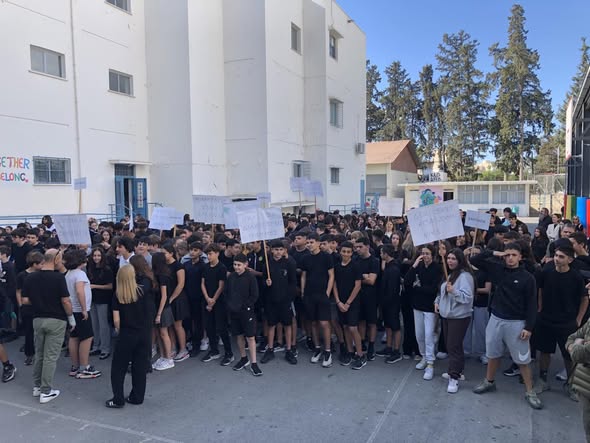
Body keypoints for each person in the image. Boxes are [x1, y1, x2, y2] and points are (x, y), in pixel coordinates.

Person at [470, 242, 542, 409]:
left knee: (522, 359)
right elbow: (474, 259)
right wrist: (495, 253)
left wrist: (529, 327)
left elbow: (532, 304)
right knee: (493, 354)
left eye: (513, 255)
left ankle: (530, 391)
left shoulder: (528, 278)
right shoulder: (497, 269)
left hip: (517, 323)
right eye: (507, 255)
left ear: (520, 257)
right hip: (496, 319)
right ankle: (489, 381)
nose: (510, 258)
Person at [534, 244, 587, 401]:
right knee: (544, 351)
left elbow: (584, 299)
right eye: (556, 255)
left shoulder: (576, 277)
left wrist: (578, 319)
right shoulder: (546, 272)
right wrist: (539, 306)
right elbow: (540, 289)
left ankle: (570, 385)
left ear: (570, 260)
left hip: (567, 323)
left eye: (561, 257)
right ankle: (542, 380)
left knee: (569, 355)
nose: (557, 259)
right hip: (546, 319)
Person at [22, 249, 75, 403]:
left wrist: (39, 301)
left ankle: (37, 386)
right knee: (50, 356)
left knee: (39, 354)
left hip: (38, 319)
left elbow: (25, 300)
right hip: (56, 320)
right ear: (56, 259)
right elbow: (65, 300)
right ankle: (46, 391)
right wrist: (71, 318)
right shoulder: (59, 278)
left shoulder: (30, 277)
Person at [106, 265, 151, 408]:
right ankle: (137, 397)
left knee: (118, 368)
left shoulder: (118, 295)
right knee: (139, 366)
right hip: (143, 333)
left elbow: (116, 320)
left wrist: (120, 330)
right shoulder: (142, 291)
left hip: (126, 334)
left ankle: (118, 399)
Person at [434, 249, 474, 393]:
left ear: (460, 260)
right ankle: (458, 370)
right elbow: (442, 291)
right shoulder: (450, 274)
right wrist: (437, 301)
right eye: (449, 258)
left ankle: (454, 377)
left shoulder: (465, 276)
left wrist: (454, 292)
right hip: (447, 315)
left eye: (453, 259)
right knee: (453, 345)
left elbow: (467, 297)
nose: (450, 261)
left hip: (459, 317)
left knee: (453, 346)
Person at [404, 245, 443, 381]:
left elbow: (433, 289)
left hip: (430, 307)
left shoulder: (437, 268)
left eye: (427, 253)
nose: (425, 256)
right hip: (417, 306)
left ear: (432, 255)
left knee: (428, 335)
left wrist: (417, 287)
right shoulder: (418, 266)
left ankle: (430, 363)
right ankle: (424, 356)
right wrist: (414, 266)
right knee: (419, 335)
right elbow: (407, 282)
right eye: (423, 253)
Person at [301, 232, 335, 368]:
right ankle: (317, 348)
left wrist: (327, 292)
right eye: (307, 242)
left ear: (318, 243)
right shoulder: (305, 258)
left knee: (324, 323)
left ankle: (327, 351)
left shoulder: (326, 257)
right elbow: (303, 276)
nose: (309, 245)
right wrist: (303, 292)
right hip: (309, 294)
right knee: (313, 323)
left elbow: (331, 275)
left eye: (311, 242)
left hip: (322, 294)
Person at [262, 240, 298, 365]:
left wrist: (289, 297)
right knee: (271, 324)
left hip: (285, 300)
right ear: (271, 250)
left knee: (287, 324)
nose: (278, 252)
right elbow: (262, 282)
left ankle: (288, 350)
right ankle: (270, 349)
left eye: (280, 250)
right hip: (271, 300)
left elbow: (293, 282)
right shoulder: (267, 264)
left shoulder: (289, 264)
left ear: (284, 251)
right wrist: (266, 283)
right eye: (276, 250)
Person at [226, 254, 262, 376]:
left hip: (247, 311)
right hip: (234, 311)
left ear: (245, 265)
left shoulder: (250, 277)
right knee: (239, 335)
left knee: (250, 337)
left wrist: (246, 306)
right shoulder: (231, 277)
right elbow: (227, 292)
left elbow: (255, 295)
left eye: (239, 265)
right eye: (235, 264)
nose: (236, 267)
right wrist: (230, 305)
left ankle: (254, 363)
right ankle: (243, 358)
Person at [333, 241, 365, 369]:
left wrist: (347, 303)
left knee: (353, 328)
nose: (346, 254)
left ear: (352, 253)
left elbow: (358, 286)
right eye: (344, 251)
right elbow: (334, 284)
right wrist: (338, 301)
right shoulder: (337, 266)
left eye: (348, 252)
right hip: (340, 302)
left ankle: (360, 355)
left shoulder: (356, 266)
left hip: (352, 302)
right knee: (345, 327)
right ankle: (350, 351)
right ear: (340, 252)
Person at [201, 244, 232, 364]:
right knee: (209, 327)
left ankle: (229, 353)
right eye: (207, 254)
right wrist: (207, 298)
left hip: (219, 302)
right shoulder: (205, 267)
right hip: (207, 300)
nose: (209, 256)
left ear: (217, 253)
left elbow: (221, 286)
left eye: (211, 254)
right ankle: (214, 350)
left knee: (221, 328)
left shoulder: (221, 268)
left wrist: (213, 300)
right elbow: (202, 283)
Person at [161, 243, 190, 363]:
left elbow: (181, 284)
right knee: (170, 325)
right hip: (167, 297)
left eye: (164, 253)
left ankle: (183, 349)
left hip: (177, 298)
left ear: (171, 253)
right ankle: (173, 347)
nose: (163, 255)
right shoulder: (163, 266)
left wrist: (172, 298)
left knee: (178, 325)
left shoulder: (178, 266)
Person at [353, 237, 380, 361]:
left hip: (371, 296)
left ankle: (371, 346)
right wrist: (364, 276)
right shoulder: (355, 259)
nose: (358, 249)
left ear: (367, 246)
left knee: (372, 322)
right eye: (356, 247)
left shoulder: (374, 261)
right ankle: (362, 342)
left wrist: (360, 278)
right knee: (361, 321)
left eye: (360, 247)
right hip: (358, 295)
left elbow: (371, 281)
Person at [16, 251, 44, 365]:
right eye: (41, 263)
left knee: (40, 332)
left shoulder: (42, 274)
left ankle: (40, 353)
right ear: (34, 264)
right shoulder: (22, 275)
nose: (43, 265)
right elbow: (18, 291)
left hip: (40, 307)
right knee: (29, 332)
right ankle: (29, 354)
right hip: (27, 307)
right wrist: (20, 305)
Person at [87, 247, 114, 360]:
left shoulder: (107, 269)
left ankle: (105, 348)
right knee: (94, 324)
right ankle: (96, 346)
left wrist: (95, 286)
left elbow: (110, 286)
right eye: (94, 255)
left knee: (103, 325)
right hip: (92, 299)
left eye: (98, 255)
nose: (96, 258)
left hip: (103, 300)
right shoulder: (90, 268)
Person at [566, 317, 590, 441]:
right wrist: (576, 345)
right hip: (584, 385)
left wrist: (576, 346)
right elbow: (572, 338)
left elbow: (580, 354)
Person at [151, 252, 175, 371]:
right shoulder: (160, 274)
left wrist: (159, 314)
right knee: (159, 333)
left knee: (164, 333)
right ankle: (163, 356)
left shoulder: (163, 276)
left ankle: (169, 359)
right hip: (158, 307)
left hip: (163, 308)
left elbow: (164, 296)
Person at [379, 244, 403, 364]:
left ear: (386, 254)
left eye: (381, 253)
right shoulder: (389, 266)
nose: (380, 255)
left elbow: (392, 289)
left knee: (395, 326)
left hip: (392, 303)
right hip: (386, 302)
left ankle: (396, 351)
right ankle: (388, 347)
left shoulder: (393, 269)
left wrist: (387, 301)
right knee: (388, 325)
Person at [184, 242, 207, 358]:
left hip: (198, 298)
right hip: (187, 296)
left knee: (198, 322)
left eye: (195, 250)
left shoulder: (203, 266)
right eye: (191, 250)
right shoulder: (186, 264)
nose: (192, 252)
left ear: (201, 252)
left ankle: (197, 345)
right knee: (187, 321)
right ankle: (189, 341)